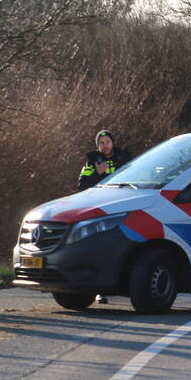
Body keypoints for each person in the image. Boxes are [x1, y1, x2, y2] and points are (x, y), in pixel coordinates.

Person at [77, 129, 132, 304]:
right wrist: (97, 173)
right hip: (101, 210)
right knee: (101, 249)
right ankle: (100, 291)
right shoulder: (92, 161)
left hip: (124, 207)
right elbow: (82, 185)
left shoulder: (124, 158)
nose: (105, 145)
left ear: (113, 143)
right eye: (101, 143)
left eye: (107, 142)